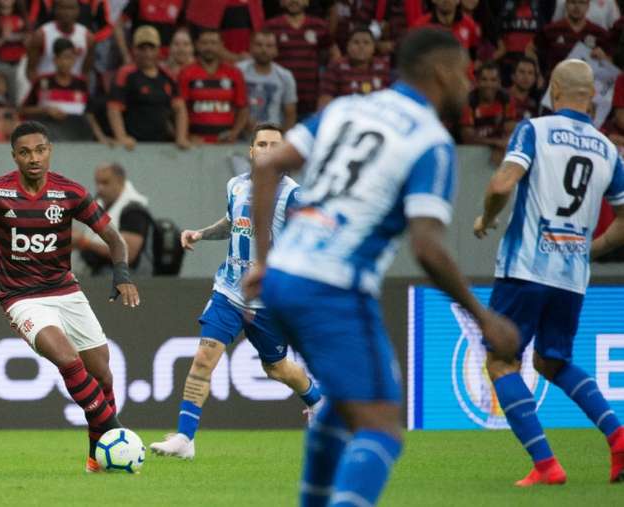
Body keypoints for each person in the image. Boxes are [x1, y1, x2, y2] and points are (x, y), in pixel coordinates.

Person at [242, 28, 519, 506]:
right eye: (463, 74)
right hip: (334, 286)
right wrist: (483, 315)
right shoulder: (430, 141)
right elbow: (428, 248)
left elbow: (266, 167)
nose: (468, 86)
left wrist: (264, 262)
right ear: (439, 73)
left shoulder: (345, 108)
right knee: (382, 429)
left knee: (341, 408)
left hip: (284, 274)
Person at [0, 120, 140, 474]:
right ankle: (115, 431)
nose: (33, 158)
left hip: (66, 291)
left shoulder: (69, 192)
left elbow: (114, 238)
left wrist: (122, 275)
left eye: (40, 150)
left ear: (50, 151)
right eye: (25, 152)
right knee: (67, 358)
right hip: (20, 297)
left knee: (103, 376)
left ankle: (96, 459)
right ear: (14, 156)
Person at [472, 59, 624, 486]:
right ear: (592, 95)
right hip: (572, 278)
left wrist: (485, 218)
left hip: (525, 268)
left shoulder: (534, 129)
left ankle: (546, 464)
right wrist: (586, 249)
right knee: (552, 361)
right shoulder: (608, 149)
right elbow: (623, 222)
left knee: (502, 362)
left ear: (552, 87)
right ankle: (618, 435)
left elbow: (502, 185)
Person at [149, 122, 324, 460]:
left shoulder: (293, 196)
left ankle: (318, 402)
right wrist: (201, 234)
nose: (268, 150)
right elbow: (232, 223)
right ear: (252, 150)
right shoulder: (236, 185)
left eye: (276, 145)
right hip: (229, 291)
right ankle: (185, 439)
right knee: (203, 359)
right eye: (262, 144)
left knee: (276, 368)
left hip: (268, 300)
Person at [108, 25, 189, 149]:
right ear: (134, 50)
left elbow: (180, 108)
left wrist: (181, 137)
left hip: (162, 144)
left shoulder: (167, 75)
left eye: (151, 48)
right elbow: (114, 108)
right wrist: (121, 136)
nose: (147, 53)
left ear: (158, 50)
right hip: (134, 144)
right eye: (142, 49)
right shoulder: (125, 74)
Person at [72, 163, 154, 276]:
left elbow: (128, 253)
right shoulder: (98, 204)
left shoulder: (134, 211)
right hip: (98, 275)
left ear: (120, 181)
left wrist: (84, 242)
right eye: (97, 183)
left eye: (105, 183)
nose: (100, 188)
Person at [264, 0, 339, 119]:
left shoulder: (319, 25)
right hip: (278, 98)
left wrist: (328, 80)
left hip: (310, 97)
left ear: (307, 2)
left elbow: (334, 53)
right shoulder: (270, 26)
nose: (294, 1)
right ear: (281, 2)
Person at [178, 28, 248, 144]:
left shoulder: (235, 73)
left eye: (213, 43)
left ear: (221, 45)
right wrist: (187, 136)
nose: (209, 47)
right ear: (197, 45)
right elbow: (180, 108)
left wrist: (234, 133)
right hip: (195, 144)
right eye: (204, 43)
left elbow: (243, 108)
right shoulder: (186, 73)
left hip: (224, 143)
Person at [237, 30, 297, 133]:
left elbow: (290, 114)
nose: (264, 49)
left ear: (276, 50)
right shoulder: (238, 71)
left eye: (269, 46)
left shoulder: (285, 76)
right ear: (251, 47)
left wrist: (284, 141)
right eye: (259, 45)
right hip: (239, 137)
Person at [318, 25, 390, 110]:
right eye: (356, 42)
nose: (361, 46)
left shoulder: (383, 67)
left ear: (373, 47)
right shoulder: (336, 67)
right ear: (347, 46)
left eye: (366, 43)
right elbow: (325, 101)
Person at [460, 61, 517, 163]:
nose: (489, 84)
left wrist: (500, 145)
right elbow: (468, 138)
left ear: (499, 82)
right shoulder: (468, 102)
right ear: (477, 82)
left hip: (498, 156)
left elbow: (511, 132)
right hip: (469, 157)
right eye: (484, 80)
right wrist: (496, 144)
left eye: (493, 80)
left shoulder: (506, 100)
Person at [26, 0, 94, 81]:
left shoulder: (88, 37)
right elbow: (31, 69)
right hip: (47, 87)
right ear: (55, 10)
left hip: (74, 89)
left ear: (78, 10)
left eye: (71, 8)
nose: (67, 12)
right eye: (62, 8)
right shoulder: (41, 35)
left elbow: (86, 72)